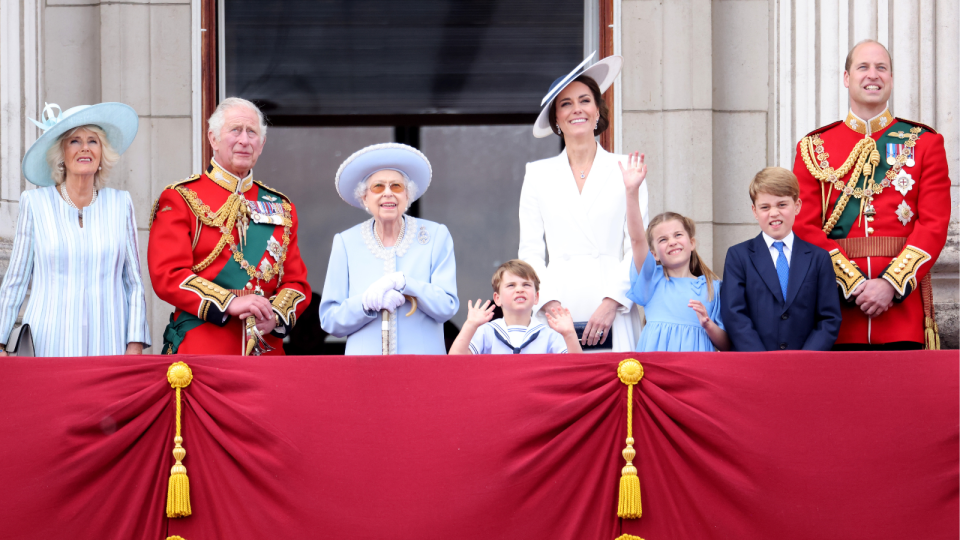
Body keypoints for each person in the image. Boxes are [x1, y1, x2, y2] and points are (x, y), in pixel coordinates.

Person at [792, 39, 951, 350]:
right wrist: (852, 284)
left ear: (891, 78)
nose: (873, 75)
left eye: (882, 68)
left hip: (901, 314)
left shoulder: (925, 143)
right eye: (863, 67)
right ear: (847, 78)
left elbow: (933, 225)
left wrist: (891, 285)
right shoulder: (814, 147)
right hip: (835, 314)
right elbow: (803, 226)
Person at [148, 97, 311, 355]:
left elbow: (296, 283)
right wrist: (229, 302)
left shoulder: (281, 206)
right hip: (202, 348)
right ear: (213, 139)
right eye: (235, 130)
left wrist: (275, 317)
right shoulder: (181, 197)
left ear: (262, 143)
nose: (244, 140)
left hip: (265, 352)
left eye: (252, 132)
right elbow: (168, 274)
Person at [519, 52, 649, 352]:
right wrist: (549, 301)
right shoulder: (537, 174)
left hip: (612, 304)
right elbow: (530, 250)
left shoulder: (627, 168)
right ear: (556, 119)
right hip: (557, 305)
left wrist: (612, 302)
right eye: (566, 103)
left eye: (584, 100)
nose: (577, 109)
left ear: (598, 111)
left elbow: (636, 246)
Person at [0, 102, 150, 356]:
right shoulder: (35, 204)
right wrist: (0, 342)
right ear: (61, 154)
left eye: (93, 141)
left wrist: (134, 344)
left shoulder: (120, 203)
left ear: (102, 153)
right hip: (49, 344)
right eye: (74, 141)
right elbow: (15, 281)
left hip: (109, 344)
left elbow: (133, 283)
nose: (84, 148)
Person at [319, 143, 458, 355]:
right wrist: (365, 304)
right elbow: (330, 321)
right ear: (364, 197)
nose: (388, 194)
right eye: (377, 187)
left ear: (407, 196)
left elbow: (446, 307)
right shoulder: (346, 242)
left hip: (422, 366)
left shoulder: (435, 236)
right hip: (364, 369)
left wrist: (406, 284)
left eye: (396, 187)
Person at [721, 167, 842, 351]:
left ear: (797, 206)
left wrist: (804, 359)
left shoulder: (819, 258)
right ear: (754, 211)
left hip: (805, 365)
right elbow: (734, 314)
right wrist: (762, 360)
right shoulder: (738, 256)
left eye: (782, 204)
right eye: (765, 207)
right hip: (755, 364)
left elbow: (829, 318)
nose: (774, 213)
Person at [620, 153, 729, 352]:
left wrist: (707, 324)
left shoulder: (714, 287)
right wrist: (631, 192)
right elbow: (636, 239)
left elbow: (727, 343)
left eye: (678, 235)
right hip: (657, 369)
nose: (672, 242)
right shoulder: (651, 280)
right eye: (663, 239)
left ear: (692, 242)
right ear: (653, 253)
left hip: (697, 370)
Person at [449, 259, 582, 355]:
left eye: (526, 285)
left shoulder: (549, 335)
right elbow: (455, 361)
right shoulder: (486, 332)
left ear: (536, 297)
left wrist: (569, 334)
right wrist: (470, 325)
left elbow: (577, 369)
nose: (519, 289)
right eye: (511, 285)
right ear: (497, 298)